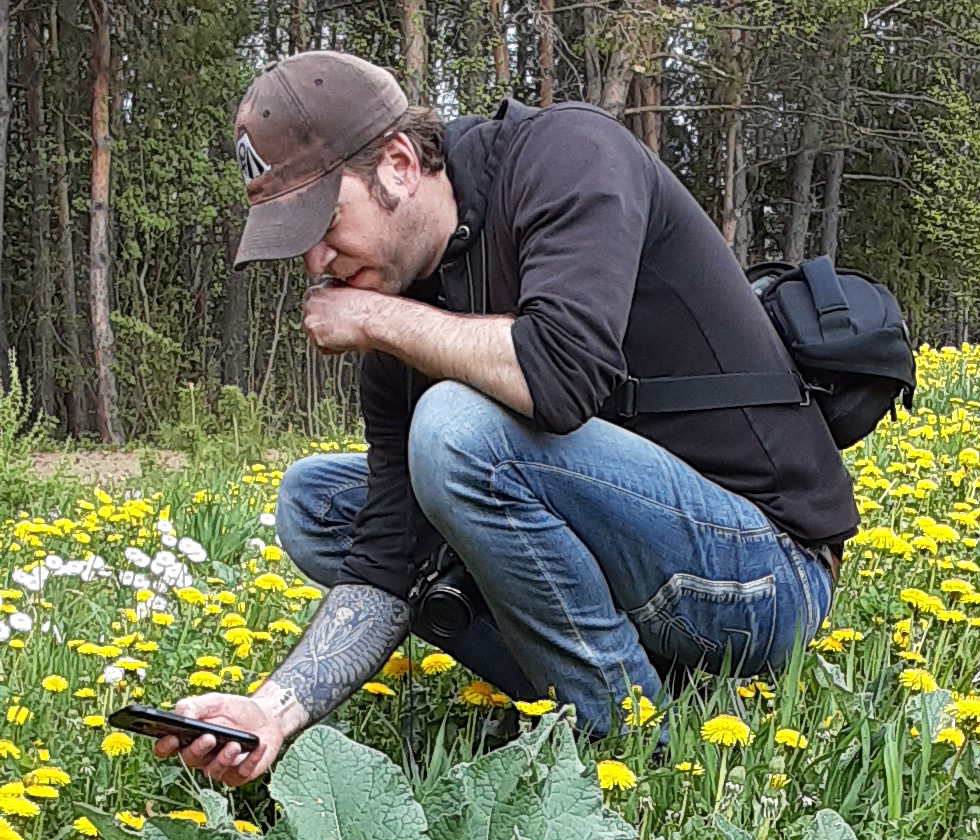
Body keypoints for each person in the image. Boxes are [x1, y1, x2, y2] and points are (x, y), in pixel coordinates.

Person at [155, 50, 857, 785]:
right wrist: (273, 710)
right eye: (299, 245)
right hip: (633, 564)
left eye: (325, 223)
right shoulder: (403, 304)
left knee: (457, 431)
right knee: (315, 505)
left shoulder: (567, 157)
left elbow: (562, 372)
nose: (317, 264)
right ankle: (657, 695)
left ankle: (628, 745)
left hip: (764, 573)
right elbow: (389, 553)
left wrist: (374, 317)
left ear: (398, 164)